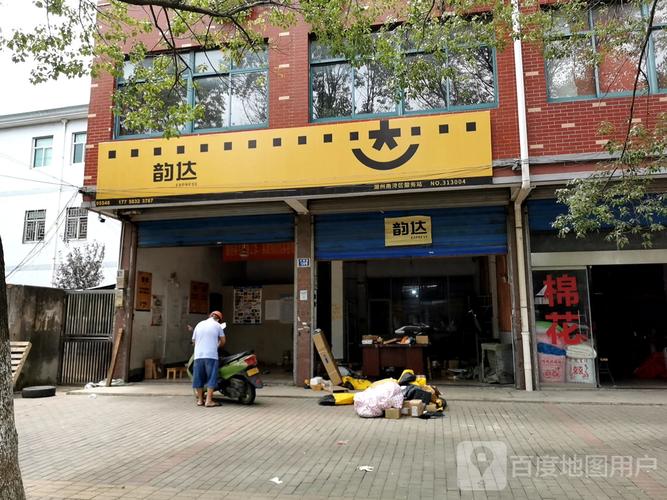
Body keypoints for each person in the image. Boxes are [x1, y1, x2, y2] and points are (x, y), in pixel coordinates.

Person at [191, 310, 226, 407]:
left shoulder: (199, 324)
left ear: (210, 316)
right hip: (211, 355)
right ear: (219, 319)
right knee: (211, 377)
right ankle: (209, 401)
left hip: (198, 356)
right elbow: (223, 341)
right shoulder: (218, 325)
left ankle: (200, 400)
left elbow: (193, 341)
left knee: (198, 377)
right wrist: (217, 346)